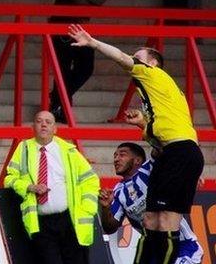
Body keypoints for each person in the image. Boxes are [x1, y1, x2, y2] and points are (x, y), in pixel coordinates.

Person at [68, 23, 204, 264]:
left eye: (139, 58)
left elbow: (121, 58)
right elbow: (164, 137)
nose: (134, 60)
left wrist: (93, 42)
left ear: (152, 63)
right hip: (179, 153)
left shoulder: (152, 74)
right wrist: (144, 125)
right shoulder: (161, 96)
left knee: (163, 221)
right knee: (154, 221)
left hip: (179, 152)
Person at [3, 110, 100, 264]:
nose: (43, 125)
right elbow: (9, 179)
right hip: (40, 221)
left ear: (55, 129)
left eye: (48, 122)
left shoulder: (69, 151)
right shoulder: (23, 149)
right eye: (39, 121)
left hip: (69, 220)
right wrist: (29, 187)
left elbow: (90, 179)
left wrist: (87, 208)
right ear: (32, 126)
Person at [99, 142, 203, 264]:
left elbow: (163, 148)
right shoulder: (118, 191)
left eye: (122, 155)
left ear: (137, 160)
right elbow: (110, 228)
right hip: (152, 251)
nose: (116, 159)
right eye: (115, 156)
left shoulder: (150, 168)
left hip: (182, 247)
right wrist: (105, 207)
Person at [49, 0, 110, 123]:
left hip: (83, 28)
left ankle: (58, 99)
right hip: (63, 25)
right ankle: (60, 107)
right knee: (64, 67)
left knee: (85, 67)